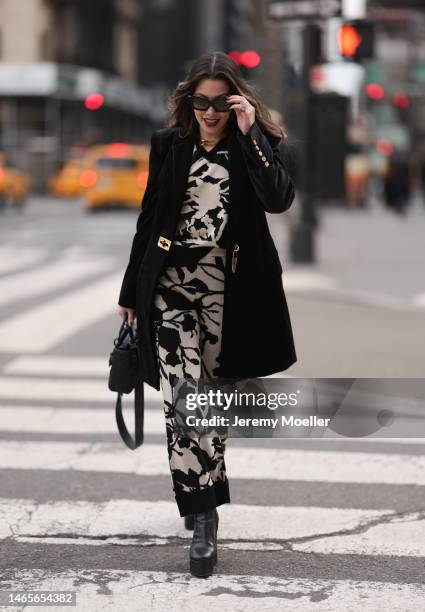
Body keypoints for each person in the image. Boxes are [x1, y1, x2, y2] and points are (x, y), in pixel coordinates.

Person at [117, 51, 297, 578]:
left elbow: (279, 200)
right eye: (202, 101)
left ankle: (203, 500)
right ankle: (203, 516)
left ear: (236, 102)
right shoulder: (168, 145)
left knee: (208, 397)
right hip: (169, 289)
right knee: (182, 397)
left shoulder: (254, 146)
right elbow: (149, 218)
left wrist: (251, 134)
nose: (210, 111)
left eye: (222, 102)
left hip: (230, 292)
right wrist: (131, 290)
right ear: (188, 101)